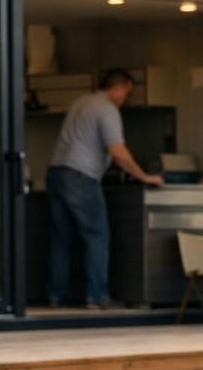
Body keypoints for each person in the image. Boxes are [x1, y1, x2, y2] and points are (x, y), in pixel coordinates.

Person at [46, 68, 165, 309]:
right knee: (97, 236)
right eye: (127, 93)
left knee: (61, 239)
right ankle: (97, 296)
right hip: (81, 176)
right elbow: (118, 152)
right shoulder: (107, 109)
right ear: (118, 88)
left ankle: (55, 295)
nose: (125, 99)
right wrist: (144, 176)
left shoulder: (81, 102)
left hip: (57, 172)